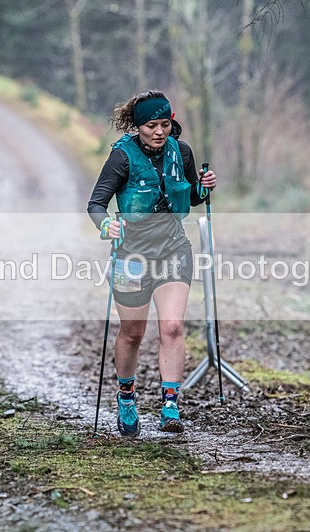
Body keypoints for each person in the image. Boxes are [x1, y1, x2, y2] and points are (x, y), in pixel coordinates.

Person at [87, 90, 216, 436]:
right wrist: (106, 225)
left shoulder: (181, 152)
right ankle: (126, 396)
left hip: (173, 248)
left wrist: (204, 188)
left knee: (171, 326)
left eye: (164, 124)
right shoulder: (121, 157)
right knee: (133, 332)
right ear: (138, 126)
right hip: (131, 255)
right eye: (151, 126)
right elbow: (96, 203)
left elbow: (190, 196)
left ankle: (170, 404)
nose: (159, 132)